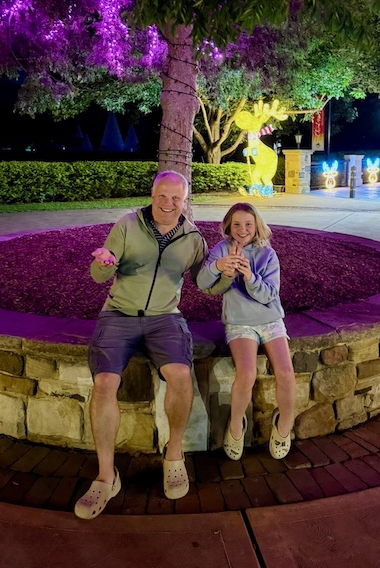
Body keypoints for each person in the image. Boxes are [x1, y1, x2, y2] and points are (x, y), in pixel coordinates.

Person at [74, 170, 207, 519]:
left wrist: (224, 271)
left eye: (176, 198)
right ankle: (107, 476)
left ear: (185, 201)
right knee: (105, 383)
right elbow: (100, 274)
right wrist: (103, 263)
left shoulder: (193, 238)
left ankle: (173, 455)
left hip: (165, 317)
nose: (168, 204)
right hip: (119, 314)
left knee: (181, 376)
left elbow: (206, 282)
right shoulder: (127, 225)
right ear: (152, 195)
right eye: (162, 196)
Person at [197, 202, 296, 461]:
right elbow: (203, 283)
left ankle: (284, 426)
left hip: (270, 319)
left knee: (286, 374)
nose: (242, 230)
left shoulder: (268, 254)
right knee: (247, 373)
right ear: (229, 226)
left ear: (257, 226)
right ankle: (236, 425)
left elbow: (269, 295)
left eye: (248, 224)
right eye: (237, 224)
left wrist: (250, 276)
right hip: (239, 322)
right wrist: (220, 267)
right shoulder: (221, 250)